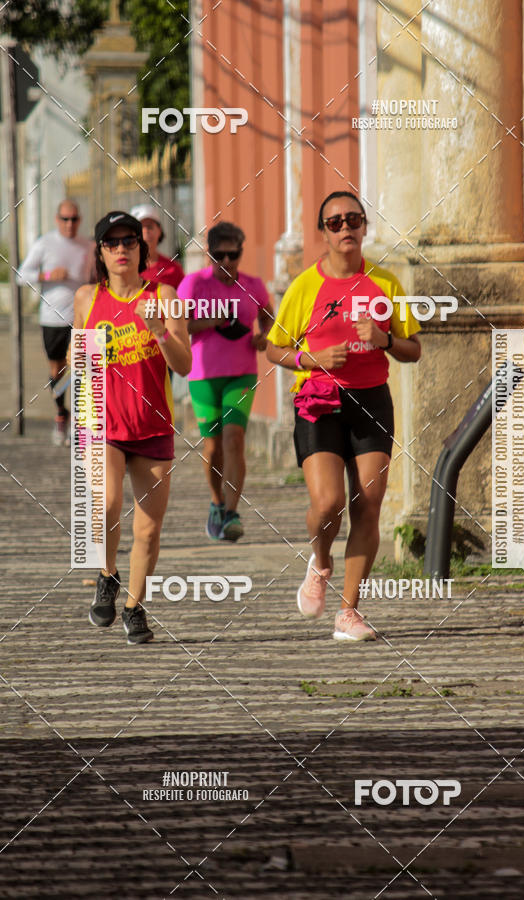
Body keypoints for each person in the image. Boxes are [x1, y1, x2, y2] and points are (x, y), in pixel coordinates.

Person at [266, 191, 421, 642]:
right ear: (324, 233)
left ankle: (348, 613)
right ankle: (320, 560)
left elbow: (414, 349)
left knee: (368, 504)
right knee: (328, 503)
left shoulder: (386, 285)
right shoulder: (304, 287)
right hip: (319, 401)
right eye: (335, 222)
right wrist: (310, 359)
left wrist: (384, 339)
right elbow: (275, 348)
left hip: (371, 400)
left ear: (365, 226)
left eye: (353, 219)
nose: (345, 228)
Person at [72, 210, 192, 644]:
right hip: (103, 422)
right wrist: (87, 354)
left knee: (148, 529)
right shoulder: (87, 298)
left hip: (153, 425)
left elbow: (184, 364)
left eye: (129, 242)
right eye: (111, 243)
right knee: (105, 504)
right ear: (101, 253)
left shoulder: (166, 295)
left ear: (142, 249)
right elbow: (75, 363)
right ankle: (108, 572)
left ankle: (134, 606)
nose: (121, 249)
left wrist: (159, 329)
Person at [178, 222, 273, 541]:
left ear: (241, 254)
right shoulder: (194, 284)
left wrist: (265, 337)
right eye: (219, 255)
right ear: (210, 255)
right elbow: (179, 325)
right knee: (213, 446)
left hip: (241, 373)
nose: (227, 262)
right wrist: (212, 321)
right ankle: (216, 502)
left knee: (234, 439)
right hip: (204, 375)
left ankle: (232, 513)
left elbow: (268, 315)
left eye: (233, 255)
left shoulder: (253, 285)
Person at [17, 200, 94, 445]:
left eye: (74, 219)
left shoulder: (89, 247)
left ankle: (80, 422)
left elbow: (96, 277)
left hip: (82, 318)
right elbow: (21, 275)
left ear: (80, 220)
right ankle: (62, 414)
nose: (69, 224)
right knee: (58, 370)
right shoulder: (45, 244)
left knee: (82, 370)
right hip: (52, 318)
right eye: (65, 219)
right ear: (56, 219)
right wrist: (48, 275)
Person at [130, 203, 185, 289]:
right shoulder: (122, 268)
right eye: (140, 228)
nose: (145, 231)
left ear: (159, 231)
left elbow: (182, 300)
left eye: (149, 227)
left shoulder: (173, 269)